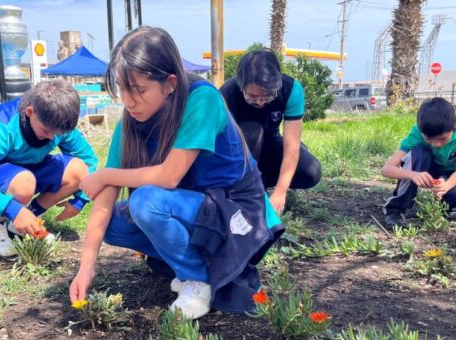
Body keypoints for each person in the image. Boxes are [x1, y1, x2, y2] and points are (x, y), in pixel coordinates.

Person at [69, 27, 284, 320]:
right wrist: (86, 266)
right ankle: (195, 263)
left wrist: (106, 174)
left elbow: (170, 176)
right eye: (123, 89)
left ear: (170, 83)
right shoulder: (130, 123)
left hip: (234, 210)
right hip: (195, 209)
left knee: (146, 202)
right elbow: (104, 202)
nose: (129, 101)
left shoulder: (201, 99)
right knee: (110, 224)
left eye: (140, 90)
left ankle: (198, 280)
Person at [0, 79, 98, 256]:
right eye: (46, 131)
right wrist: (12, 209)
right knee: (23, 183)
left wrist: (81, 200)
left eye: (58, 133)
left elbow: (89, 161)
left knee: (78, 170)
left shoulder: (56, 121)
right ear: (29, 112)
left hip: (22, 167)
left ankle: (28, 218)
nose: (52, 138)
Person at [220, 49, 322, 214]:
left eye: (267, 96)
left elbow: (291, 147)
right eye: (252, 97)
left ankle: (264, 183)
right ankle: (248, 190)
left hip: (271, 143)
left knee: (311, 172)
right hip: (240, 152)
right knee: (254, 131)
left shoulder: (290, 89)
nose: (260, 103)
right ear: (241, 86)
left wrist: (280, 192)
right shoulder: (226, 94)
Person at [381, 97, 456, 228]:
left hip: (452, 172)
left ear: (455, 125)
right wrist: (413, 175)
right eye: (428, 139)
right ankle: (395, 210)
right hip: (426, 167)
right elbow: (387, 169)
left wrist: (446, 185)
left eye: (442, 138)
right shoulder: (418, 132)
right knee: (419, 153)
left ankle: (446, 206)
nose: (436, 144)